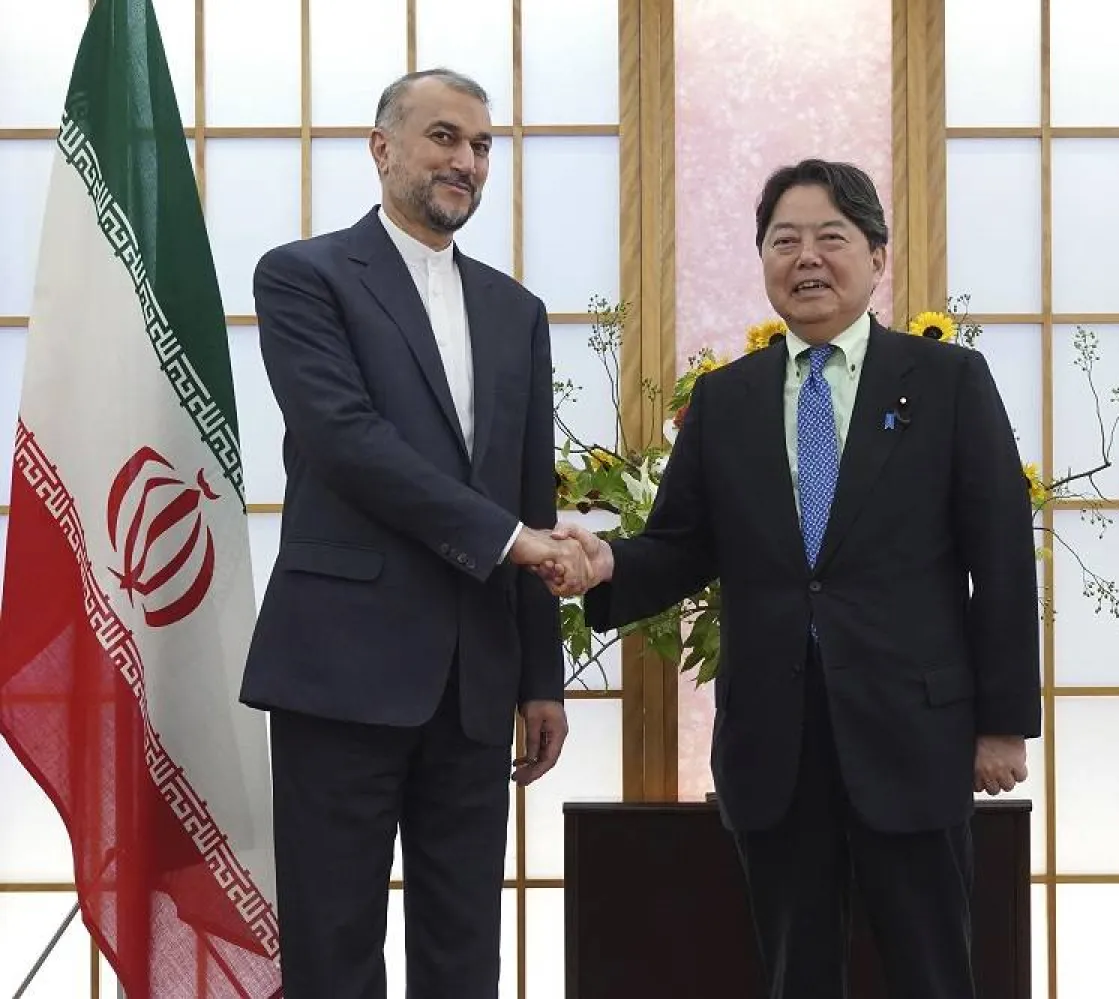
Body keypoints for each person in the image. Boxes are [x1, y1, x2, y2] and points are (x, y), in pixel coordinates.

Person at [552, 159, 1042, 999]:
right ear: (764, 259)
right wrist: (606, 561)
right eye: (784, 241)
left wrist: (1002, 724)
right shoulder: (726, 400)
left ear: (878, 257)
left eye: (831, 238)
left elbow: (999, 557)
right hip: (776, 738)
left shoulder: (948, 383)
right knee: (795, 973)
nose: (806, 258)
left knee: (933, 971)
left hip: (912, 736)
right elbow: (680, 544)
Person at [238, 68, 591, 997]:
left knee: (465, 945)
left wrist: (540, 677)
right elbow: (347, 444)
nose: (465, 162)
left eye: (480, 146)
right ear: (382, 147)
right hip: (339, 671)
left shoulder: (517, 312)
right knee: (333, 940)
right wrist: (515, 541)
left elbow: (527, 493)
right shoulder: (302, 275)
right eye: (444, 137)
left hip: (475, 683)